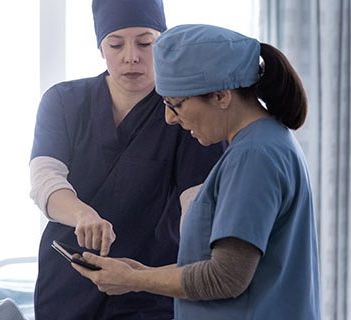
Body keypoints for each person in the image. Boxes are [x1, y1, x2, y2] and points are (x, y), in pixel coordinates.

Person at [71, 24, 320, 319]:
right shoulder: (265, 143)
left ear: (220, 96)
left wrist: (132, 279)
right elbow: (218, 265)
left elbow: (225, 277)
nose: (169, 118)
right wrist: (141, 273)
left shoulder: (254, 156)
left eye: (175, 104)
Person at [29, 0, 223, 318]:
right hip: (67, 281)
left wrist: (197, 276)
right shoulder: (63, 102)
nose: (131, 56)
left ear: (163, 43)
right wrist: (82, 215)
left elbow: (197, 208)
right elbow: (44, 179)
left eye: (145, 42)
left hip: (149, 288)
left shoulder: (187, 113)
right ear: (100, 47)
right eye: (115, 44)